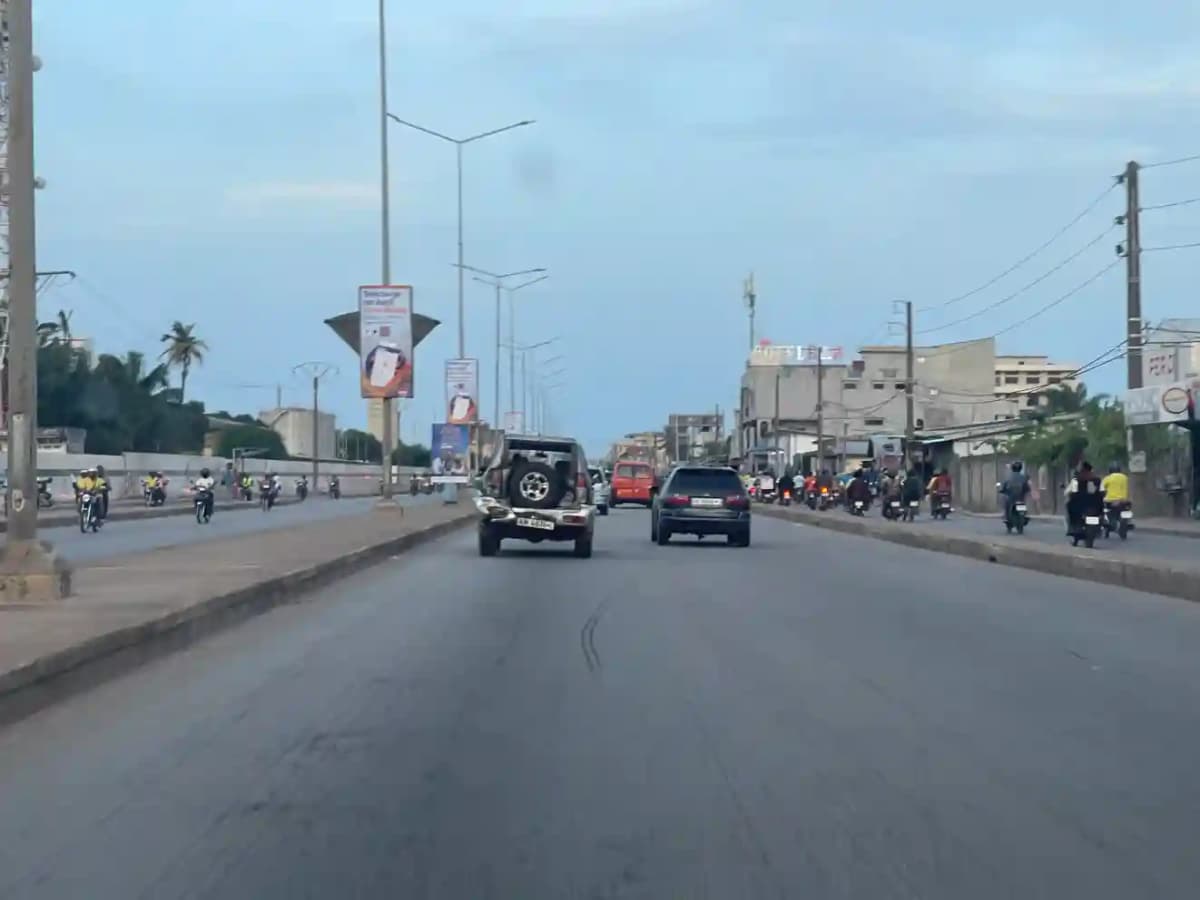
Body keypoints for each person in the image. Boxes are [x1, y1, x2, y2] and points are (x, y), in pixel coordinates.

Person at [1066, 461, 1104, 534]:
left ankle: (1073, 526)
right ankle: (1075, 526)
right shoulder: (1097, 480)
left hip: (1084, 506)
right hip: (1094, 506)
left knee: (1070, 505)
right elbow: (1102, 491)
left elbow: (1071, 492)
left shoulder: (1076, 481)